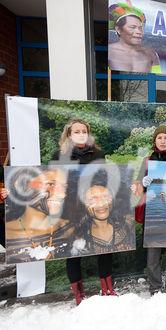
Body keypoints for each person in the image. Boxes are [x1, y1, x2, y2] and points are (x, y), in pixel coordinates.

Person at [51, 118, 114, 305]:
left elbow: (105, 179)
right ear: (69, 135)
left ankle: (107, 289)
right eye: (76, 131)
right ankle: (79, 295)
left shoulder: (98, 154)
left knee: (104, 247)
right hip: (70, 210)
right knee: (73, 251)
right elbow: (55, 184)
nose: (80, 134)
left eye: (83, 131)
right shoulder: (58, 156)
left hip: (94, 205)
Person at [133, 125, 166, 298]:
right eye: (159, 138)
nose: (162, 141)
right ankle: (155, 286)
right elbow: (138, 188)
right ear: (154, 141)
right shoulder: (148, 161)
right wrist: (143, 184)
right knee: (153, 254)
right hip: (153, 213)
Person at [4, 168, 73, 263]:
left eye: (64, 187)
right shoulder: (7, 234)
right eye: (51, 184)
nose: (62, 195)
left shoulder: (69, 228)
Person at [79, 184, 133, 254]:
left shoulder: (129, 223)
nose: (101, 204)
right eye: (92, 199)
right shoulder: (79, 238)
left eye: (105, 196)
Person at [108, 3, 161, 73]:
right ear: (118, 29)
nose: (139, 32)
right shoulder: (109, 52)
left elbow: (157, 79)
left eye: (140, 28)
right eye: (132, 27)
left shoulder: (151, 55)